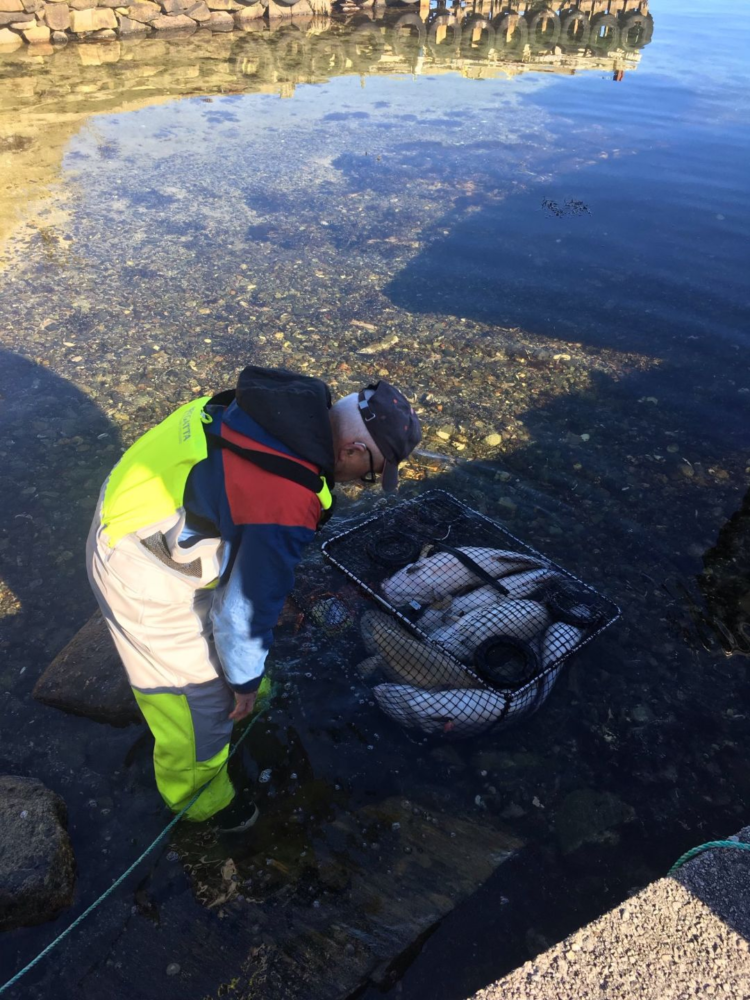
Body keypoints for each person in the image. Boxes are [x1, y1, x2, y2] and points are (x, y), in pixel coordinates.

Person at [86, 365, 421, 832]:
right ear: (352, 450)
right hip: (137, 558)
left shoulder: (282, 403)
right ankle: (203, 805)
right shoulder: (282, 502)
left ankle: (243, 686)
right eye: (368, 475)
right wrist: (244, 683)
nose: (357, 483)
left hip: (145, 503)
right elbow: (243, 611)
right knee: (197, 705)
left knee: (231, 646)